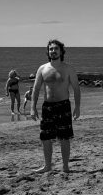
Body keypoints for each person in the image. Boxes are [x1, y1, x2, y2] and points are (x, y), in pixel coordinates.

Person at [30, 39, 81, 173]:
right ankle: (47, 166)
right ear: (48, 51)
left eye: (55, 49)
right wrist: (32, 107)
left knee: (64, 137)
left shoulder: (68, 68)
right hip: (47, 107)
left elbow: (76, 89)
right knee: (46, 137)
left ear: (61, 51)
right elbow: (36, 89)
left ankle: (65, 166)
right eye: (51, 49)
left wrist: (77, 107)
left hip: (63, 105)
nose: (53, 51)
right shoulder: (42, 68)